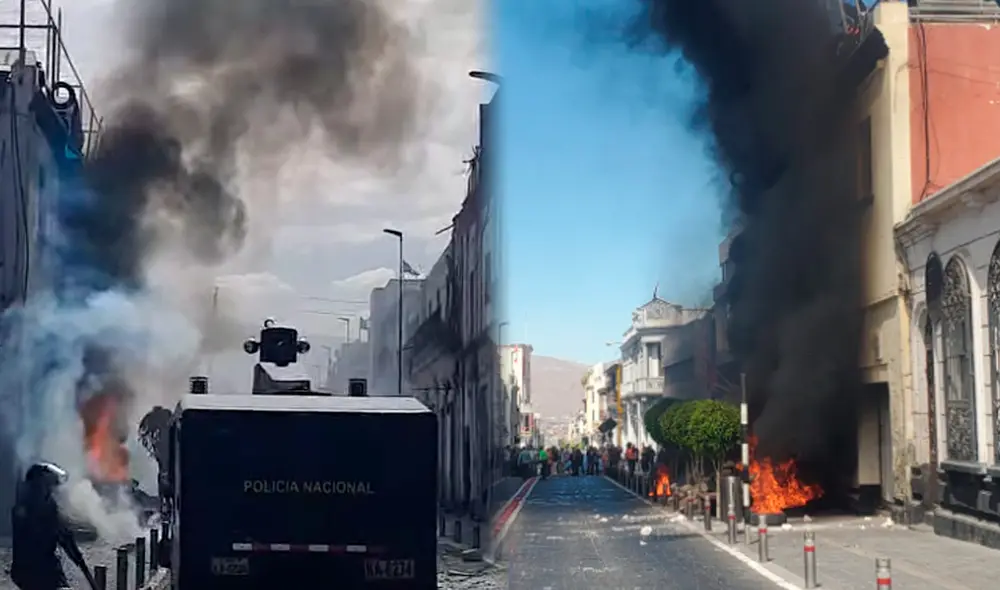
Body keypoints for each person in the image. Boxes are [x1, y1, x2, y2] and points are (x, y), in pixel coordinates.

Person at [10, 462, 98, 590]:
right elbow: (59, 534)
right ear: (39, 485)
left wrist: (78, 558)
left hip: (41, 570)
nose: (51, 490)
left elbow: (65, 536)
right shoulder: (29, 509)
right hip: (36, 571)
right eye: (48, 486)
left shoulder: (41, 505)